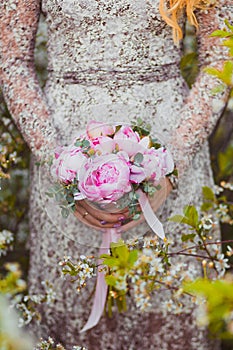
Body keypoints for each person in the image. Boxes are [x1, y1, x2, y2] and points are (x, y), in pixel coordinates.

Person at [0, 0, 232, 348]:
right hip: (65, 145)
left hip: (168, 143)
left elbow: (220, 60)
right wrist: (60, 165)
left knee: (167, 310)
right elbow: (13, 62)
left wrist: (171, 167)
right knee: (73, 318)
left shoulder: (171, 163)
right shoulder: (61, 163)